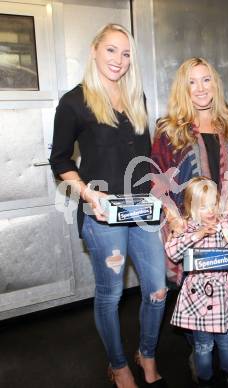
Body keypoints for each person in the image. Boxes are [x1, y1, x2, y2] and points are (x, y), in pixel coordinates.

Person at [49, 23, 167, 388]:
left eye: (126, 53)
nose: (119, 59)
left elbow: (144, 157)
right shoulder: (74, 101)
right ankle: (117, 365)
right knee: (111, 294)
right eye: (112, 50)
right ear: (95, 50)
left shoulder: (137, 98)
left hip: (142, 213)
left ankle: (146, 353)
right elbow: (60, 160)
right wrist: (87, 193)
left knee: (158, 290)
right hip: (103, 216)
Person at [151, 57, 228, 375]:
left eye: (206, 80)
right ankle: (201, 347)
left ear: (215, 84)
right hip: (189, 226)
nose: (200, 88)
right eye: (192, 81)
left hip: (225, 225)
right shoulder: (169, 130)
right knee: (194, 291)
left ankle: (227, 340)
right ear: (183, 87)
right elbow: (157, 181)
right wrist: (175, 218)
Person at [165, 177, 228, 388]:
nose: (210, 210)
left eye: (213, 203)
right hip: (197, 298)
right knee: (203, 346)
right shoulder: (185, 227)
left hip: (227, 295)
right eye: (202, 206)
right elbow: (172, 251)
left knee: (226, 342)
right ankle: (205, 380)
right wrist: (196, 235)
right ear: (190, 206)